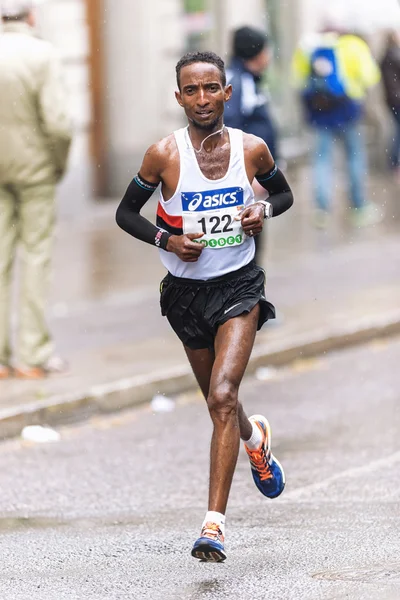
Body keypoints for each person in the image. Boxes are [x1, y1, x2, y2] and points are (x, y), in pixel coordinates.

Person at [116, 51, 293, 562]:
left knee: (222, 395)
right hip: (185, 296)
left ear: (226, 93)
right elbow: (126, 213)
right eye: (191, 91)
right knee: (222, 407)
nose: (201, 99)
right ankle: (254, 439)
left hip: (239, 285)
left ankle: (212, 527)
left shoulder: (252, 149)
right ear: (179, 97)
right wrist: (166, 241)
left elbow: (282, 196)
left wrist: (260, 207)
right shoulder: (163, 155)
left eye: (210, 88)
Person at [0, 0, 72, 379]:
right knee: (36, 257)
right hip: (36, 172)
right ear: (32, 17)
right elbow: (58, 124)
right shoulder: (42, 55)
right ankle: (31, 353)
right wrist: (58, 163)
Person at [292, 21, 382, 228]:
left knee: (322, 161)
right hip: (347, 110)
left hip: (320, 113)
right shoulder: (353, 45)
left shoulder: (308, 46)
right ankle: (358, 207)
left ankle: (322, 211)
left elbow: (297, 80)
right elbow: (370, 77)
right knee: (354, 158)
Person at [224, 26, 278, 264]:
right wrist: (250, 173)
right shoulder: (238, 82)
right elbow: (232, 129)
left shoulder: (251, 79)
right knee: (248, 237)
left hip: (256, 173)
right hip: (246, 177)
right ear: (256, 53)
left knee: (254, 233)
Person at [380, 30, 400, 178]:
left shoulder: (387, 56)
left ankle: (394, 163)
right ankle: (395, 164)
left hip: (392, 100)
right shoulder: (395, 55)